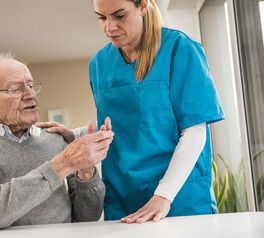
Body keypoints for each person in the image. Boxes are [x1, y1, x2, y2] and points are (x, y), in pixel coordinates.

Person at [37, 0, 224, 223]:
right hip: (123, 196)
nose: (109, 27)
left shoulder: (180, 49)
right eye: (102, 17)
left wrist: (163, 195)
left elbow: (194, 132)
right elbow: (126, 123)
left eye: (119, 15)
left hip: (178, 198)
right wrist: (75, 135)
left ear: (143, 5)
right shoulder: (99, 64)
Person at [0, 53, 114, 229]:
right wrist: (64, 163)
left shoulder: (55, 137)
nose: (30, 94)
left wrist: (85, 171)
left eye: (31, 86)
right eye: (16, 89)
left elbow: (87, 218)